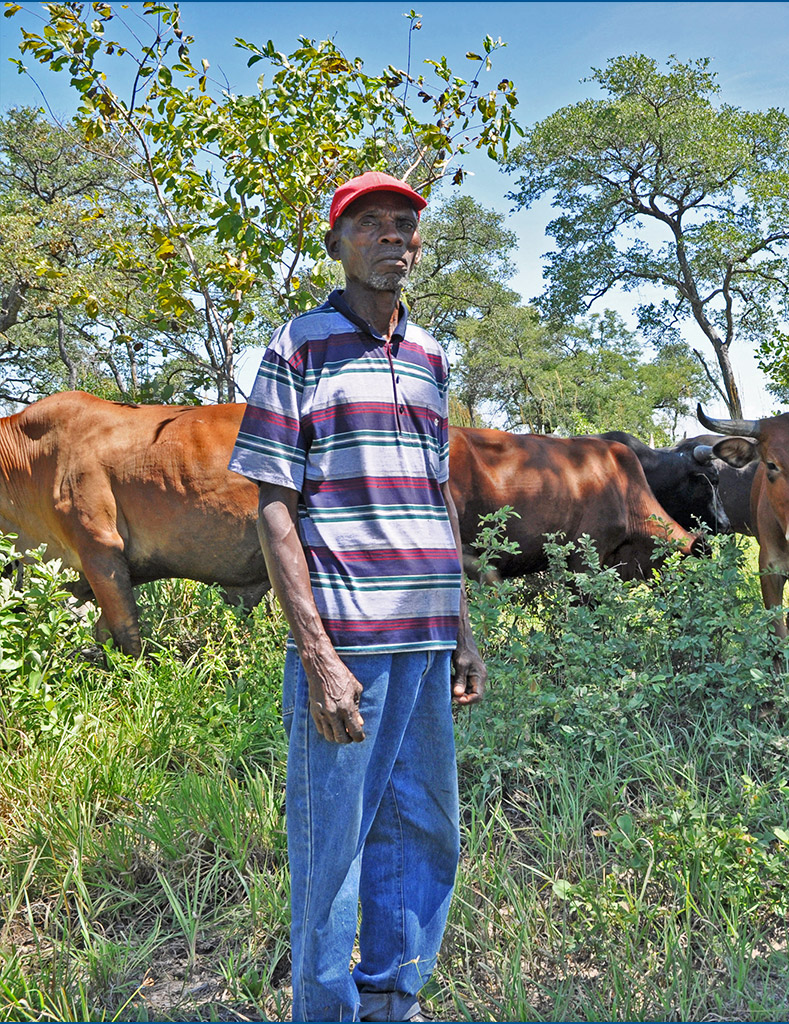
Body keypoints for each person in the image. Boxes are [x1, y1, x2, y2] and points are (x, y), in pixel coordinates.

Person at [229, 171, 487, 1022]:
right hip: (349, 646)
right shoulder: (300, 346)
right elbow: (274, 497)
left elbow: (434, 494)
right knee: (331, 849)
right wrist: (317, 656)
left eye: (406, 228)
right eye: (371, 225)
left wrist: (463, 629)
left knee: (424, 831)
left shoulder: (428, 356)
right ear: (338, 244)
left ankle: (393, 1000)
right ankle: (327, 1012)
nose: (393, 240)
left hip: (424, 640)